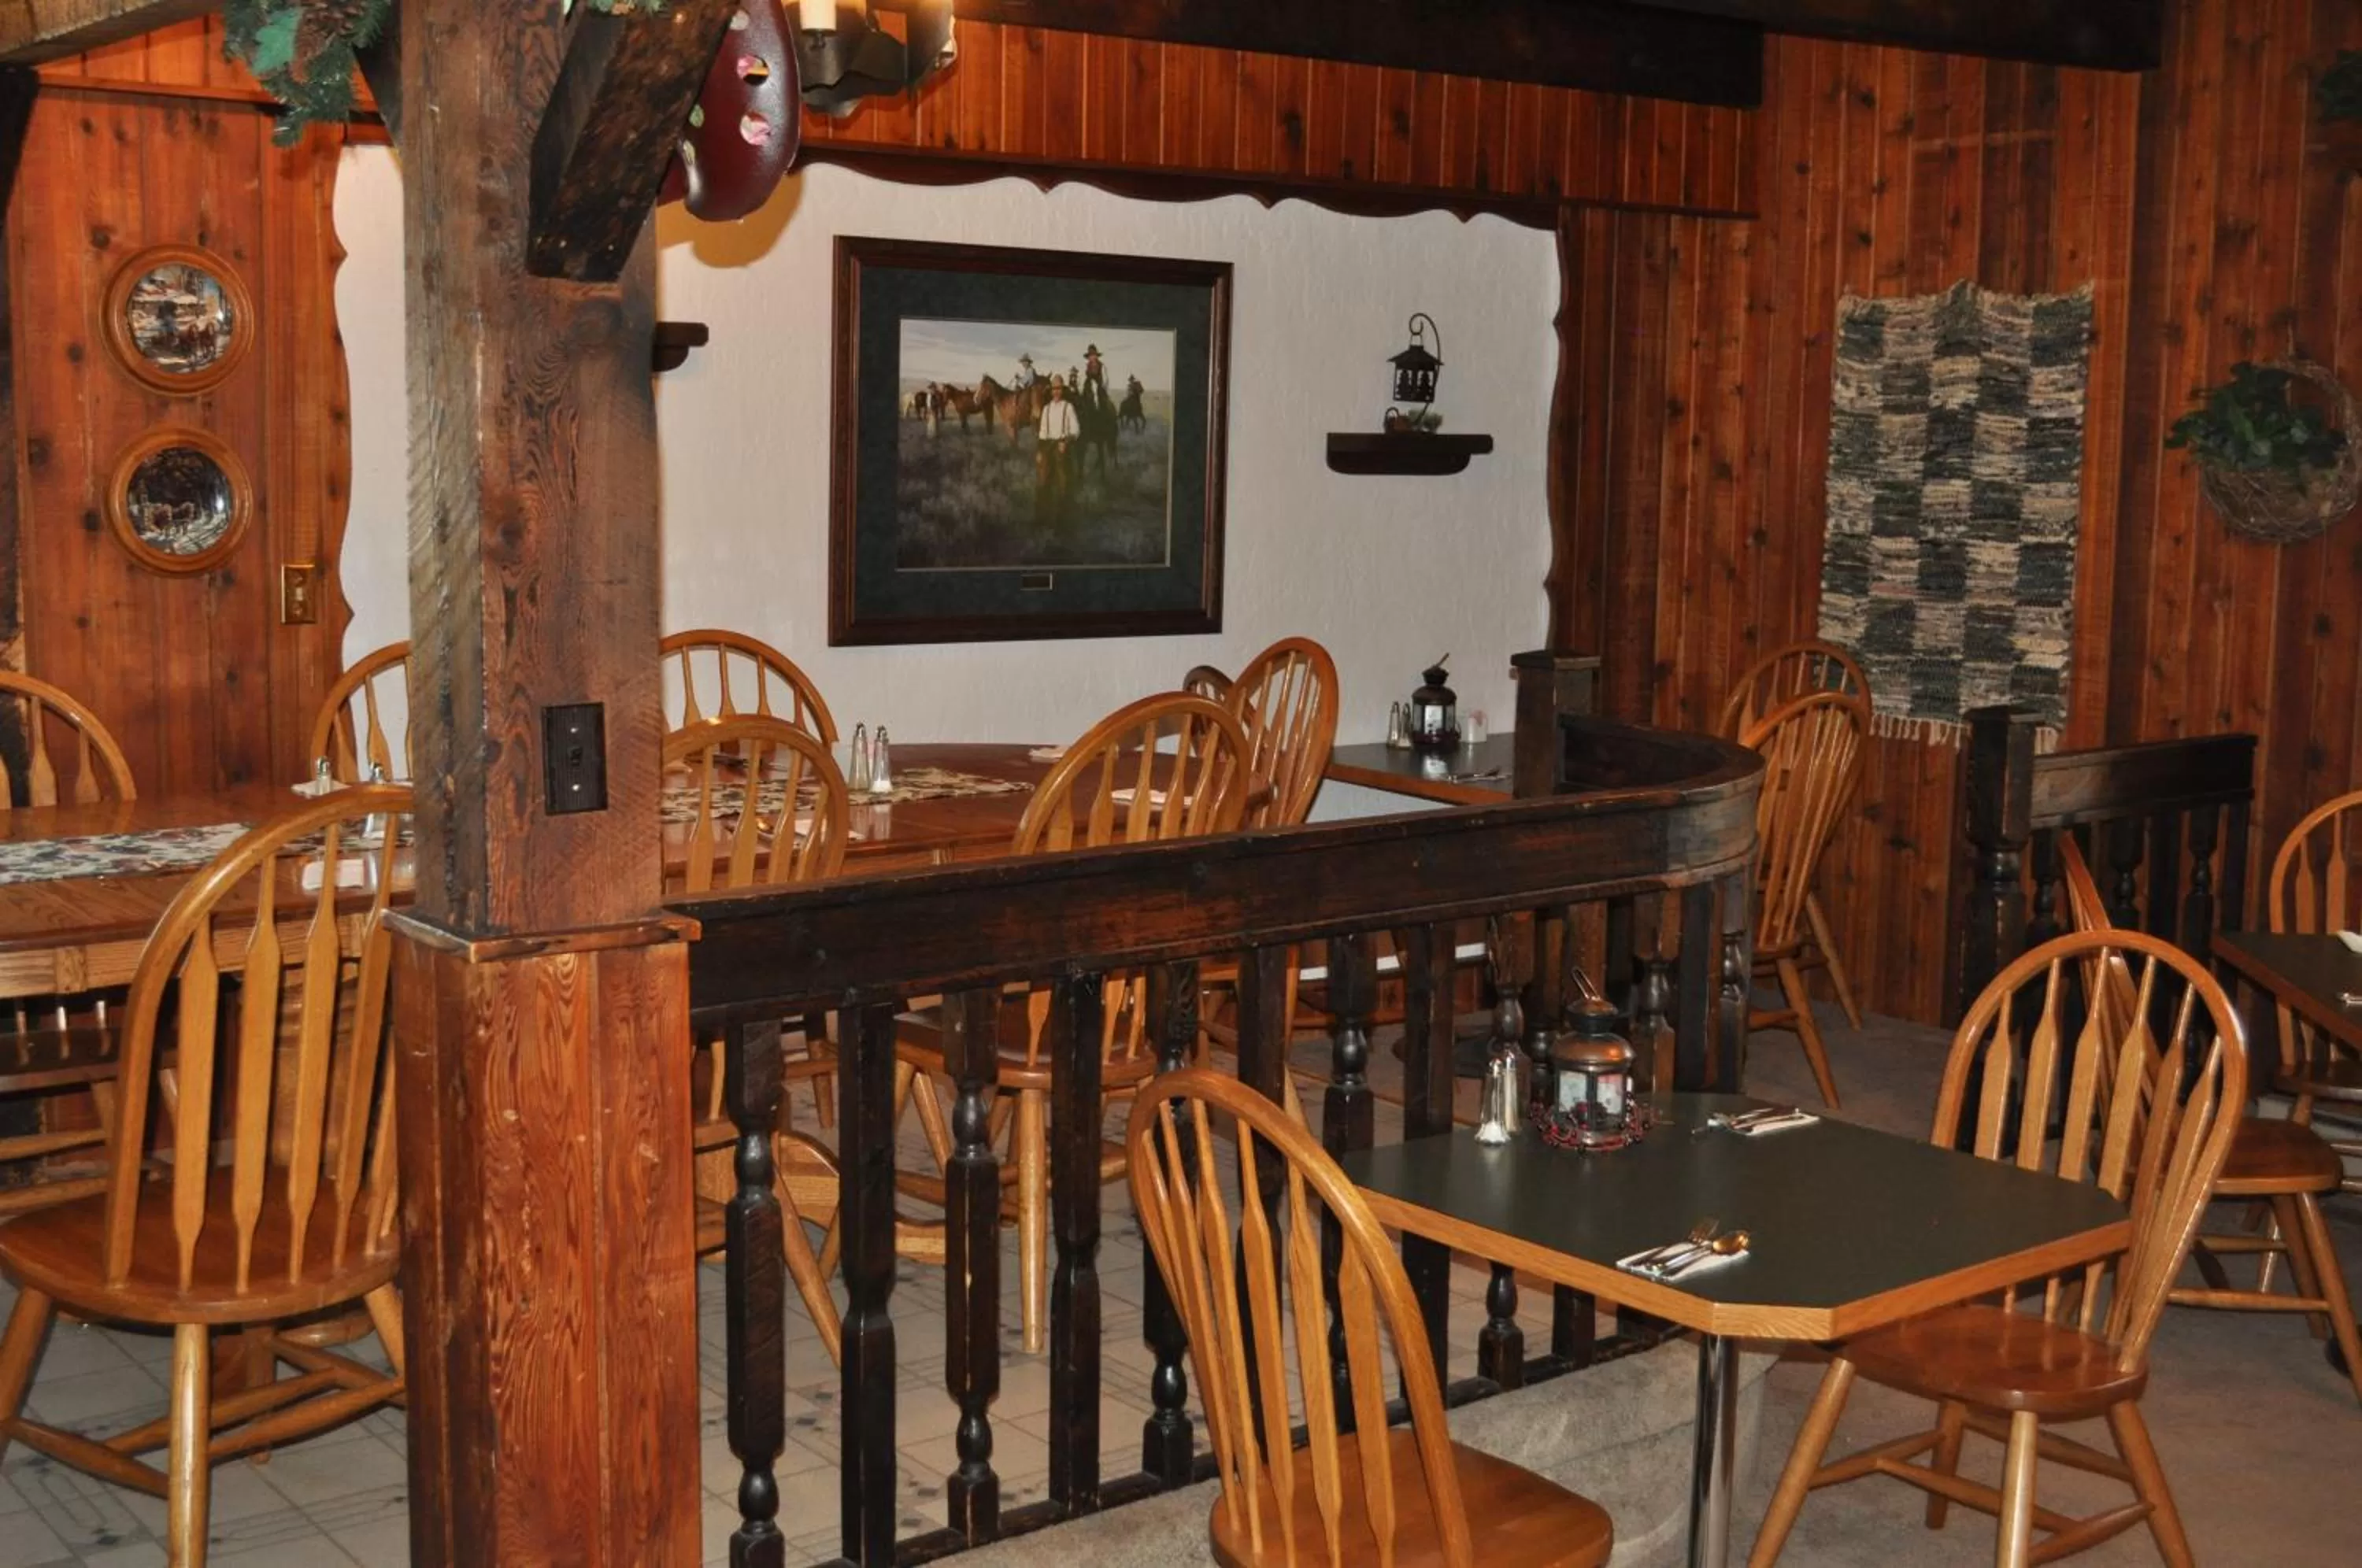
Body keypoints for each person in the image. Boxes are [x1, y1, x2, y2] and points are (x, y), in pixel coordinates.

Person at [1036, 376, 1081, 522]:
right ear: (1051, 391)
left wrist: (1066, 441)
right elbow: (1042, 432)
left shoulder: (1068, 407)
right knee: (1044, 480)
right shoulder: (1046, 409)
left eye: (1059, 389)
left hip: (1062, 446)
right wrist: (1040, 451)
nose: (1056, 392)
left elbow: (1076, 430)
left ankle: (1063, 518)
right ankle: (1043, 515)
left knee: (1063, 481)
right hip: (1047, 445)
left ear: (1063, 391)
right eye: (1054, 389)